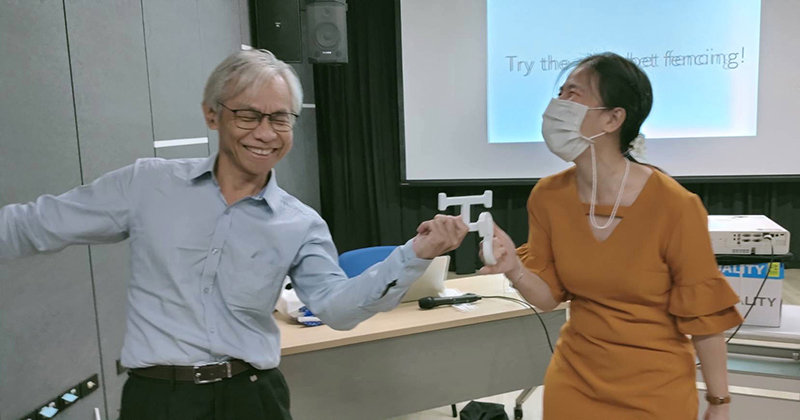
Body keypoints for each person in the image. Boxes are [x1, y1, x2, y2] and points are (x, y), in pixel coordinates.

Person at [0, 49, 468, 420]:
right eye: (248, 116)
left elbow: (337, 309)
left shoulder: (300, 223)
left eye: (280, 118)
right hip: (158, 401)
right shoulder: (147, 185)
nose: (266, 133)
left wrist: (416, 253)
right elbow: (33, 225)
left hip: (252, 398)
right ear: (212, 115)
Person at [480, 53, 742, 420]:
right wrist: (513, 269)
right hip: (575, 381)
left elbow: (705, 319)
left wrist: (719, 403)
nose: (558, 105)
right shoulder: (549, 196)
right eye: (560, 92)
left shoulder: (675, 206)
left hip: (656, 389)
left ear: (613, 118)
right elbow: (547, 298)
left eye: (574, 94)